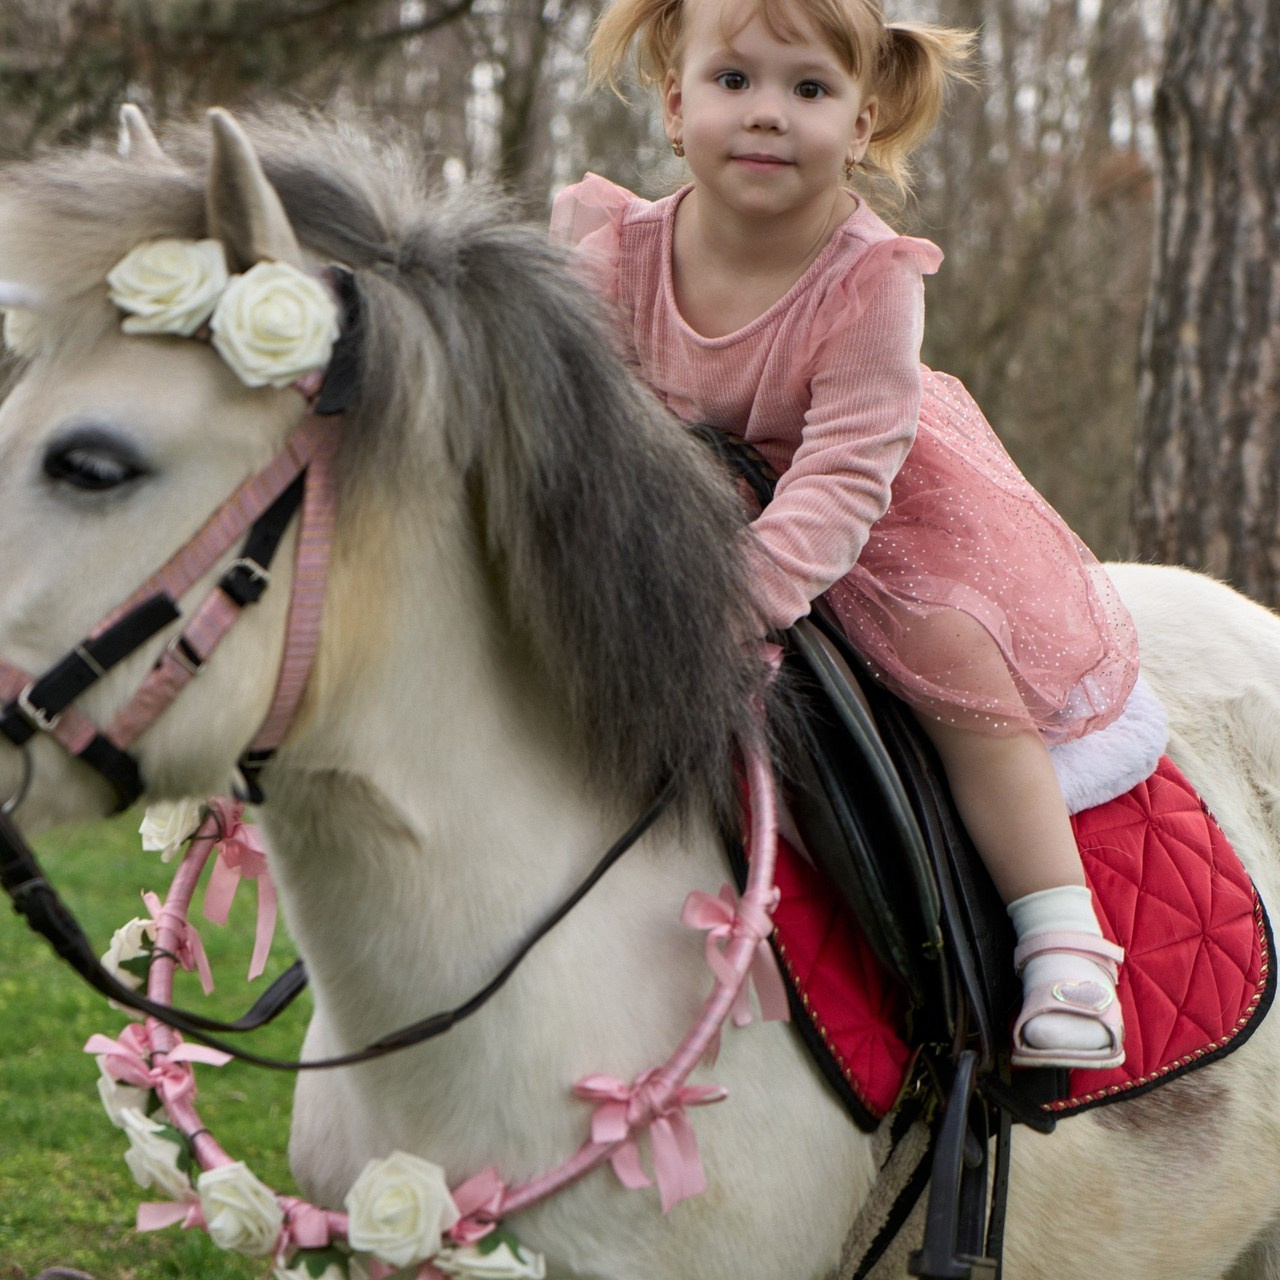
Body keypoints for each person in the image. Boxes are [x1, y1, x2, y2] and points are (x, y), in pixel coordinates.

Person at [552, 0, 1139, 1069]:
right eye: (734, 82)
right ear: (677, 106)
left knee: (954, 660)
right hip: (673, 508)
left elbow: (844, 469)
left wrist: (734, 599)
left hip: (866, 519)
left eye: (808, 90)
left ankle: (1059, 931)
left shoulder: (870, 278)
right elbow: (577, 424)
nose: (767, 113)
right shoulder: (615, 249)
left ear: (861, 125)